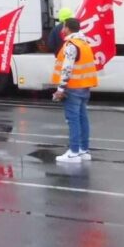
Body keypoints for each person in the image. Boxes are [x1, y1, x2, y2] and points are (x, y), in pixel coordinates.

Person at [51, 17, 97, 163]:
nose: (62, 30)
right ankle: (84, 150)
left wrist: (60, 88)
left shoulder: (71, 45)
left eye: (64, 27)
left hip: (73, 88)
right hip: (84, 87)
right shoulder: (84, 43)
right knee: (83, 118)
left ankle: (74, 152)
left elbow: (67, 68)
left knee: (73, 120)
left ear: (68, 28)